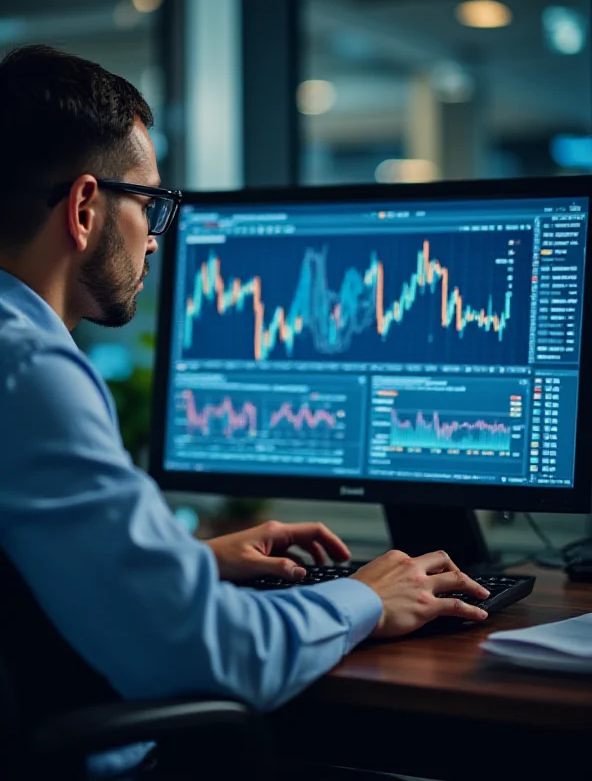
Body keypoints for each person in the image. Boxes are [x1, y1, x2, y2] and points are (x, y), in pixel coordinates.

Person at [0, 45, 489, 779]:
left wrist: (186, 566)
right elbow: (218, 658)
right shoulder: (31, 370)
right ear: (83, 207)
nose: (158, 236)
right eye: (152, 204)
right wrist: (362, 597)